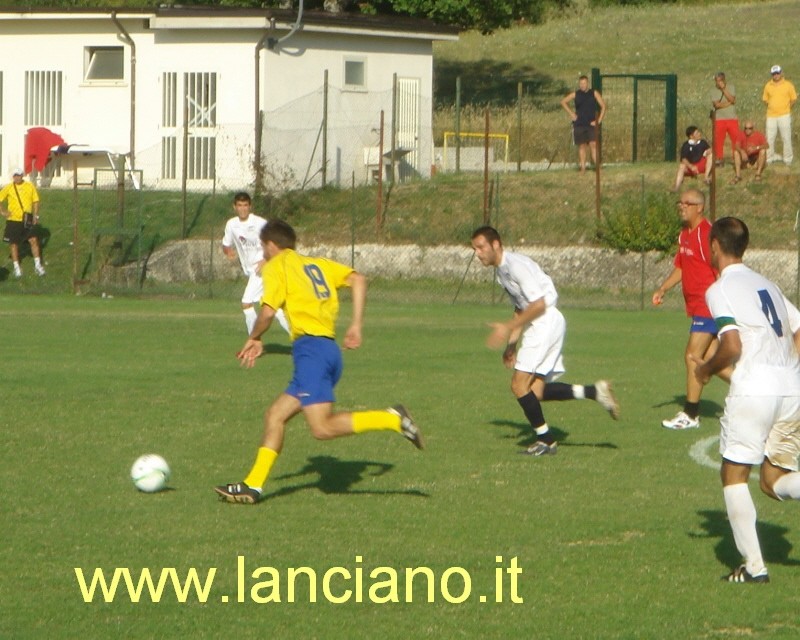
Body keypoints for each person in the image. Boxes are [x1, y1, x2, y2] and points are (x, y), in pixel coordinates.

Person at [215, 219, 423, 504]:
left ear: (272, 245)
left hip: (311, 351)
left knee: (321, 428)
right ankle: (253, 485)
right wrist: (356, 325)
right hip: (326, 351)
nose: (262, 254)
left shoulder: (277, 267)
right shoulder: (318, 264)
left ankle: (391, 418)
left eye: (263, 248)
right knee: (275, 416)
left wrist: (255, 337)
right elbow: (358, 280)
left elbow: (266, 312)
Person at [692, 217, 800, 583]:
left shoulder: (719, 289)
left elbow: (732, 345)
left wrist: (706, 370)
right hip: (791, 390)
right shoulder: (767, 284)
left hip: (755, 391)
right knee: (773, 481)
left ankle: (754, 569)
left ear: (715, 246)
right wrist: (787, 369)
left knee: (733, 475)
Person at [470, 225, 619, 457]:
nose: (477, 253)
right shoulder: (502, 272)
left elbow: (538, 304)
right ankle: (594, 392)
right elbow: (521, 310)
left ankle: (546, 441)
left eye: (480, 247)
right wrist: (511, 345)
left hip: (545, 321)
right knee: (535, 391)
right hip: (545, 322)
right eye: (474, 249)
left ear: (495, 244)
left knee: (519, 386)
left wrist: (507, 328)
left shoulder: (515, 266)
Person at [653, 189, 731, 430]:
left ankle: (690, 413)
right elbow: (682, 266)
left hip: (708, 306)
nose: (682, 206)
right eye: (680, 203)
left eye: (688, 203)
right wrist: (663, 288)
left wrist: (725, 299)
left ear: (700, 207)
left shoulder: (706, 235)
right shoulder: (685, 235)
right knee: (710, 359)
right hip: (698, 307)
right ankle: (753, 389)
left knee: (691, 356)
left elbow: (720, 268)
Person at [222, 191, 289, 336]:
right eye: (239, 205)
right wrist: (228, 252)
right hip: (250, 269)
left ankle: (253, 339)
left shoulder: (260, 223)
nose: (243, 209)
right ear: (234, 207)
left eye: (245, 205)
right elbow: (226, 244)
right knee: (273, 305)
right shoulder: (231, 224)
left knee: (246, 302)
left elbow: (275, 242)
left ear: (250, 206)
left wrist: (266, 259)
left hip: (263, 268)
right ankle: (298, 336)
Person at [0, 168, 45, 278]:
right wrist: (3, 211)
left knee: (33, 240)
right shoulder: (9, 188)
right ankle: (17, 268)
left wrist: (35, 215)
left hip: (27, 219)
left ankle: (38, 265)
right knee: (13, 243)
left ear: (22, 176)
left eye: (19, 175)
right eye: (15, 175)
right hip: (13, 220)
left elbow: (36, 201)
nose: (17, 177)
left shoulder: (29, 186)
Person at [560, 75, 607, 174]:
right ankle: (583, 169)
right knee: (582, 146)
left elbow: (603, 106)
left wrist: (599, 120)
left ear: (587, 83)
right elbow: (563, 102)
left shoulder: (594, 93)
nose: (582, 85)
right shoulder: (575, 94)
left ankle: (598, 168)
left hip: (591, 124)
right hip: (579, 124)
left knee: (593, 145)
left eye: (584, 83)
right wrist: (571, 114)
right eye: (581, 83)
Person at [762, 65, 797, 166]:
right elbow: (765, 99)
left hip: (784, 115)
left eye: (777, 73)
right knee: (769, 138)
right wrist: (772, 107)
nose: (776, 75)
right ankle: (769, 157)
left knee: (786, 137)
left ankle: (788, 158)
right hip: (771, 116)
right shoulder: (768, 85)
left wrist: (786, 108)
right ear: (772, 75)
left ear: (781, 73)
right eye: (774, 74)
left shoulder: (788, 85)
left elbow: (793, 99)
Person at [671, 126, 712, 192]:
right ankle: (676, 187)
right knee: (682, 166)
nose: (699, 134)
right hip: (691, 166)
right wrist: (691, 166)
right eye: (697, 133)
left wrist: (708, 152)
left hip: (701, 164)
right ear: (691, 136)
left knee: (711, 156)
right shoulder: (686, 145)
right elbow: (683, 159)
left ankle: (706, 177)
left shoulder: (702, 142)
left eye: (698, 132)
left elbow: (709, 149)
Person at [710, 72, 738, 167]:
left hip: (731, 118)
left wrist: (724, 89)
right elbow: (717, 104)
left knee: (735, 139)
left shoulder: (731, 87)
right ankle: (719, 159)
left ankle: (736, 158)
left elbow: (732, 99)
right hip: (719, 118)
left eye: (720, 81)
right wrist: (728, 103)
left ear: (724, 80)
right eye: (716, 81)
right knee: (719, 140)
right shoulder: (713, 90)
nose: (718, 83)